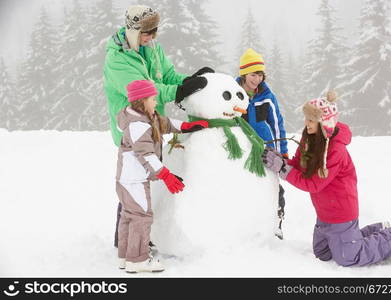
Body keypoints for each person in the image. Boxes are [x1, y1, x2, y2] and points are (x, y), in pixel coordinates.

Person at [104, 4, 214, 247]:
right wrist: (178, 91)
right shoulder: (117, 59)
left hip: (153, 125)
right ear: (133, 30)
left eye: (155, 31)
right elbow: (145, 92)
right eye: (147, 32)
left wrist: (189, 81)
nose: (152, 37)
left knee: (144, 185)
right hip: (131, 130)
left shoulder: (152, 48)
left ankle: (134, 241)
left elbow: (168, 76)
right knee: (134, 185)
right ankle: (131, 245)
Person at [262, 91, 391, 266]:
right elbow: (298, 163)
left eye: (310, 120)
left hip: (341, 211)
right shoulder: (309, 138)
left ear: (324, 123)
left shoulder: (336, 151)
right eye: (306, 118)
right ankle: (378, 229)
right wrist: (282, 161)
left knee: (348, 257)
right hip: (324, 213)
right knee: (322, 253)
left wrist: (282, 169)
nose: (306, 123)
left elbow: (313, 184)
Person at [116, 80, 208, 273]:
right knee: (142, 217)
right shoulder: (138, 125)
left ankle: (126, 256)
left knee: (129, 216)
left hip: (129, 179)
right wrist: (166, 175)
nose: (156, 101)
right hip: (134, 180)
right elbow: (146, 155)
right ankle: (138, 259)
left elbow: (163, 123)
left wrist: (186, 126)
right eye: (153, 98)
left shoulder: (146, 117)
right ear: (142, 101)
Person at [236, 48, 288, 239]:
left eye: (260, 75)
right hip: (242, 150)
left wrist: (281, 153)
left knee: (274, 187)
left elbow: (277, 124)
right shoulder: (233, 93)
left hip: (266, 149)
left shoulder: (266, 96)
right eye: (253, 74)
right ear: (243, 74)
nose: (256, 79)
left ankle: (277, 222)